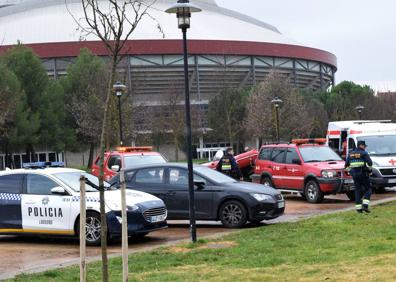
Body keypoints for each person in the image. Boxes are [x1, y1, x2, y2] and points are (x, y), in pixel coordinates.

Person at [345, 140, 373, 213]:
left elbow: (346, 166)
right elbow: (370, 163)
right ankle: (365, 205)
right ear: (361, 146)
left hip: (355, 175)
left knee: (357, 191)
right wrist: (370, 171)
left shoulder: (350, 154)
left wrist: (351, 172)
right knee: (368, 189)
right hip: (363, 174)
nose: (365, 147)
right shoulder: (364, 153)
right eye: (364, 146)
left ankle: (359, 209)